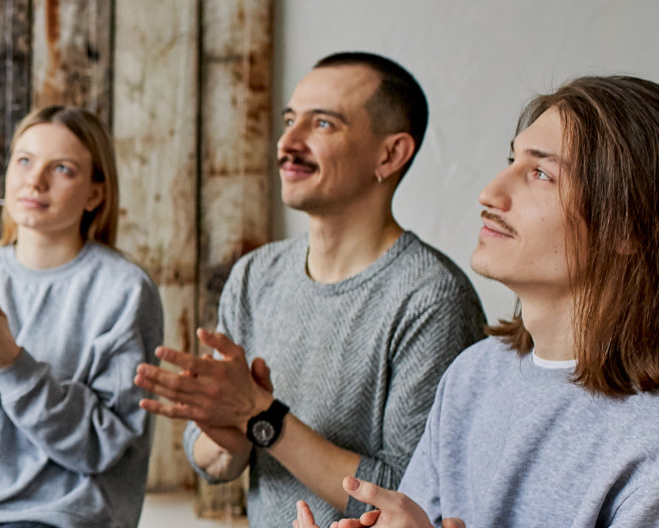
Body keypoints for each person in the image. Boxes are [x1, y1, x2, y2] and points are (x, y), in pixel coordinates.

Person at [293, 76, 659, 528]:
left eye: (541, 173)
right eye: (512, 160)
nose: (490, 193)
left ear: (628, 226)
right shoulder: (472, 376)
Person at [134, 52, 486, 526]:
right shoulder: (256, 274)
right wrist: (229, 429)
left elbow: (411, 496)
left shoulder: (433, 298)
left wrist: (263, 418)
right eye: (288, 120)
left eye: (322, 124)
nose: (287, 143)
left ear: (390, 154)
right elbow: (214, 460)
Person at [0, 106, 162, 528]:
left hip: (63, 515)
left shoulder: (125, 290)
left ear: (96, 193)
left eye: (62, 169)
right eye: (24, 160)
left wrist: (12, 363)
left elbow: (102, 445)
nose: (35, 181)